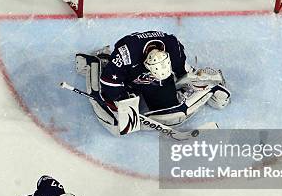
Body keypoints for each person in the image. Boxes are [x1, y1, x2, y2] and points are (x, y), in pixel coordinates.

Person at [75, 30, 230, 135]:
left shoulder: (172, 46)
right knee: (116, 125)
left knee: (170, 114)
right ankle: (95, 63)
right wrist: (120, 101)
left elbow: (182, 71)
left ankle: (207, 85)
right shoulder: (126, 53)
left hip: (154, 81)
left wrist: (196, 81)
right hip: (128, 77)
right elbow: (109, 83)